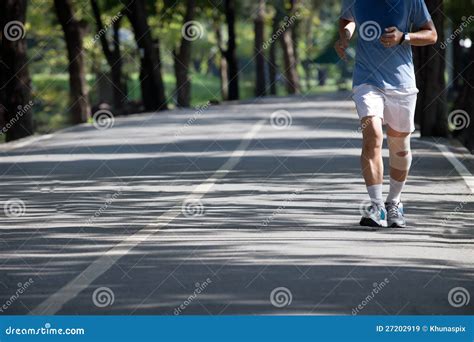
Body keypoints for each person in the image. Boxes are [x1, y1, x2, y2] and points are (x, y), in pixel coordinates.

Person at [335, 0, 437, 228]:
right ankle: (377, 205)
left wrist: (404, 37)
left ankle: (394, 202)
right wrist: (344, 37)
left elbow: (432, 35)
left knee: (399, 145)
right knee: (372, 136)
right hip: (367, 80)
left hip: (402, 83)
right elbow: (347, 19)